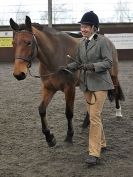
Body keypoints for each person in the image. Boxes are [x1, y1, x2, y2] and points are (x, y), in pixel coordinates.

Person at [67, 11, 114, 166]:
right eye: (82, 26)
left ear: (94, 27)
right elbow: (78, 62)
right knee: (94, 116)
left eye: (86, 26)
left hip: (100, 84)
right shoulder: (82, 43)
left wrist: (93, 66)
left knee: (93, 117)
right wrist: (66, 67)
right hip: (86, 84)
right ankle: (102, 142)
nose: (83, 29)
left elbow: (108, 62)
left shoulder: (102, 42)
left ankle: (94, 153)